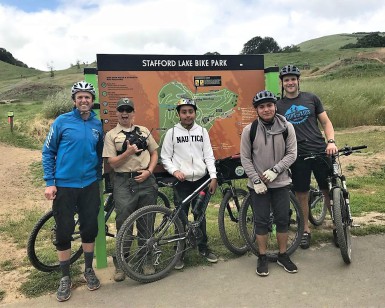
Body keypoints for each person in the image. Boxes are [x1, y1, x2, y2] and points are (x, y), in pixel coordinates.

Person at [42, 81, 103, 302]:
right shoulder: (62, 122)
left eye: (87, 97)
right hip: (65, 185)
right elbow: (48, 151)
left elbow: (98, 153)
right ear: (74, 100)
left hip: (89, 185)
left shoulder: (98, 124)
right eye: (80, 97)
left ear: (92, 100)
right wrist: (50, 182)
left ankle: (88, 270)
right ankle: (65, 277)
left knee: (89, 228)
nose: (84, 100)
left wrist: (97, 178)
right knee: (64, 230)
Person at [276, 65, 338, 249]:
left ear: (298, 80)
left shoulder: (311, 98)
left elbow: (326, 122)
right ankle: (305, 229)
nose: (290, 82)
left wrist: (331, 141)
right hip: (297, 155)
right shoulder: (278, 106)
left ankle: (337, 226)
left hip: (320, 150)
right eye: (286, 80)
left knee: (327, 189)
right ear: (282, 83)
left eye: (293, 79)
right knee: (301, 193)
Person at [240, 90, 298, 276]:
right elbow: (245, 158)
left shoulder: (287, 127)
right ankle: (262, 256)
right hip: (259, 186)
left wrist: (276, 170)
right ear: (257, 110)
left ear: (275, 106)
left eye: (269, 105)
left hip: (280, 182)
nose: (266, 109)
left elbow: (292, 154)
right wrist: (256, 180)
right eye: (261, 107)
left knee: (282, 219)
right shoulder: (250, 130)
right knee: (261, 221)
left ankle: (283, 254)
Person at [102, 98, 159, 281]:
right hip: (124, 183)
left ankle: (146, 260)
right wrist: (127, 153)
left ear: (133, 112)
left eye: (128, 110)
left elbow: (154, 153)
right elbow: (111, 162)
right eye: (121, 110)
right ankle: (121, 261)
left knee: (147, 221)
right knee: (124, 222)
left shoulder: (143, 131)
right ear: (117, 113)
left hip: (146, 181)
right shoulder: (111, 135)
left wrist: (149, 171)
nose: (125, 113)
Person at [161, 98, 218, 270]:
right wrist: (174, 171)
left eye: (190, 111)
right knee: (181, 217)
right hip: (182, 182)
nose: (187, 115)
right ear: (178, 114)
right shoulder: (171, 133)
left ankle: (203, 247)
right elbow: (165, 157)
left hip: (201, 180)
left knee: (200, 215)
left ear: (195, 113)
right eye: (184, 112)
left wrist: (213, 176)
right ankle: (179, 252)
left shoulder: (202, 131)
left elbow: (208, 155)